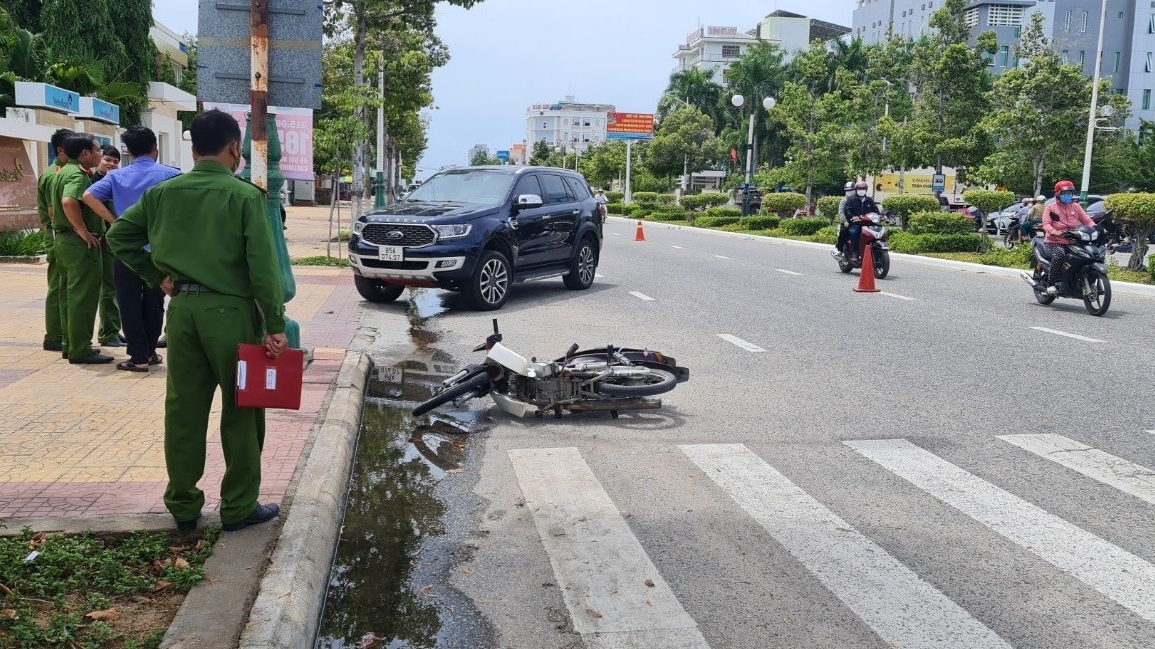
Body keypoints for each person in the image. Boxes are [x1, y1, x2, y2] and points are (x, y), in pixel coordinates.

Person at [106, 109, 287, 532]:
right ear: (234, 149)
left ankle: (184, 505)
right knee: (243, 409)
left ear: (192, 149)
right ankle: (238, 505)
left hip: (183, 313)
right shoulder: (245, 196)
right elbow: (264, 267)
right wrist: (274, 323)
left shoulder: (164, 193)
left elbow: (119, 237)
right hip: (231, 313)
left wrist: (156, 276)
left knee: (184, 410)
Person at [84, 126, 180, 372]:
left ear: (129, 151)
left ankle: (137, 358)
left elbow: (88, 196)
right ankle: (149, 353)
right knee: (154, 302)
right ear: (154, 148)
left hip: (125, 250)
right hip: (159, 251)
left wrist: (115, 222)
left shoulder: (116, 176)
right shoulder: (172, 175)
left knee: (128, 303)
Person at [52, 134, 113, 364]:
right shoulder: (77, 175)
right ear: (85, 153)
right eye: (97, 150)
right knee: (83, 298)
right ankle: (80, 349)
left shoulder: (61, 172)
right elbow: (69, 202)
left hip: (64, 241)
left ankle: (70, 344)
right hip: (78, 244)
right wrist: (83, 231)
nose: (99, 154)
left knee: (68, 295)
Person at [35, 128, 72, 353]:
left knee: (63, 286)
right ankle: (55, 335)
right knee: (59, 286)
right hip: (57, 234)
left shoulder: (63, 171)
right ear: (60, 150)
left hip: (59, 234)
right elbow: (52, 212)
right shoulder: (54, 174)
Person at [91, 145, 123, 348]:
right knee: (108, 289)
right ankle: (108, 333)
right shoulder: (92, 183)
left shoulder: (114, 182)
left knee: (114, 288)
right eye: (107, 159)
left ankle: (112, 328)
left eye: (115, 161)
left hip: (113, 242)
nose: (111, 164)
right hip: (102, 241)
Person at [1040, 180, 1096, 295]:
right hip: (1054, 242)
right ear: (1057, 194)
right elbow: (1046, 224)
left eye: (1070, 193)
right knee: (1059, 255)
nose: (1067, 196)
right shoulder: (1050, 208)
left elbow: (1087, 220)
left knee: (1086, 255)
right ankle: (1051, 284)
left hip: (1073, 240)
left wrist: (1096, 228)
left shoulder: (1075, 206)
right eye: (1064, 193)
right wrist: (1054, 231)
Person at [836, 180, 878, 259]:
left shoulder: (869, 200)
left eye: (863, 189)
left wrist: (881, 216)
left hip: (867, 223)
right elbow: (845, 211)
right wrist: (848, 219)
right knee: (851, 232)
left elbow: (875, 210)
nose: (849, 192)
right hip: (854, 223)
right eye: (859, 189)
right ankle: (853, 252)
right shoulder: (849, 200)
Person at [833, 181, 854, 256]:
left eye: (851, 190)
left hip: (857, 221)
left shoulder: (857, 200)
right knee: (843, 232)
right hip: (847, 222)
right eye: (847, 190)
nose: (849, 192)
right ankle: (839, 249)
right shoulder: (844, 201)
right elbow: (841, 212)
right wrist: (845, 221)